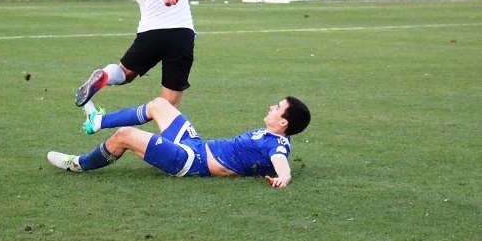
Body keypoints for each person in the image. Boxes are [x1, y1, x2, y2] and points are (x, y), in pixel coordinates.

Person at [47, 95, 311, 187]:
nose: (272, 107)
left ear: (283, 123)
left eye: (277, 108)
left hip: (192, 162)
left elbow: (282, 164)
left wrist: (283, 178)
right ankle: (97, 121)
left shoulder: (277, 145)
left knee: (126, 135)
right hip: (195, 146)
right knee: (159, 104)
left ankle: (78, 163)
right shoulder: (271, 135)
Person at [75, 0, 195, 111]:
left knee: (124, 74)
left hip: (154, 33)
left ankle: (105, 75)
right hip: (183, 34)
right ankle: (168, 131)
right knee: (169, 106)